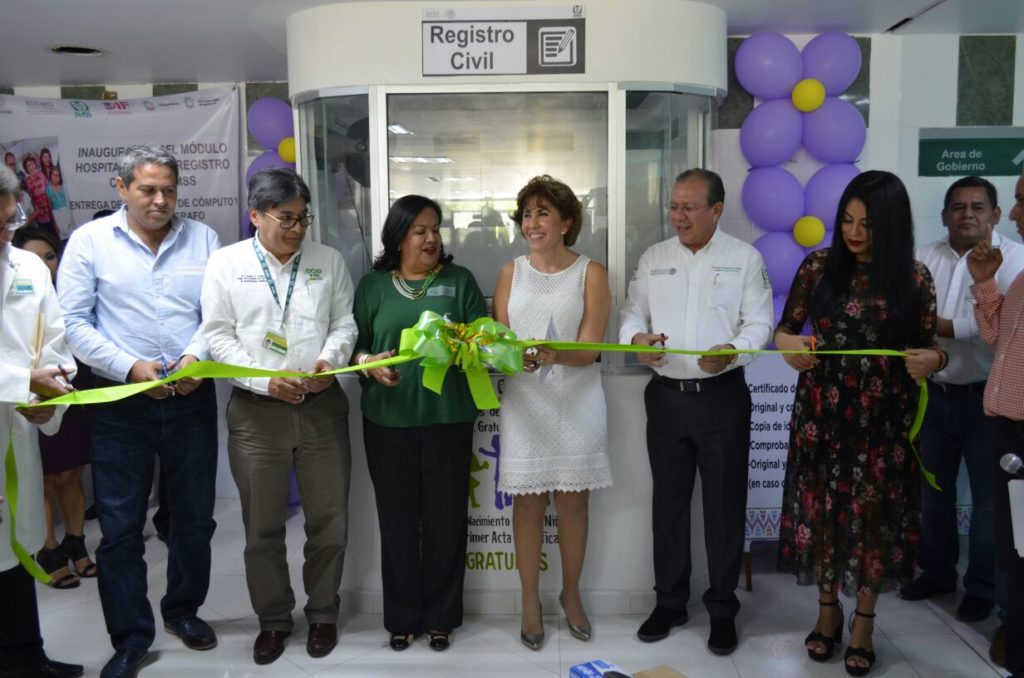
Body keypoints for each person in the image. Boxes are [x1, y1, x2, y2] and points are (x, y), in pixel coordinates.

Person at [59, 145, 220, 678]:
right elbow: (74, 323)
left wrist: (197, 355)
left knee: (194, 519)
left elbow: (216, 315)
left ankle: (183, 611)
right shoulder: (89, 242)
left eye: (169, 190)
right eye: (148, 189)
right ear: (121, 187)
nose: (159, 200)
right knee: (121, 528)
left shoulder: (203, 238)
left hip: (191, 398)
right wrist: (129, 367)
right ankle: (130, 636)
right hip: (120, 405)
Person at [775, 170, 944, 676]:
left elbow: (930, 348)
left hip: (883, 423)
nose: (854, 233)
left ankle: (864, 624)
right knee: (823, 516)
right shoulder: (818, 266)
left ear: (890, 226)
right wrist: (789, 348)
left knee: (874, 524)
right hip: (821, 415)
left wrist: (933, 361)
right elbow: (786, 330)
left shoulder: (914, 277)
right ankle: (827, 615)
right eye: (846, 220)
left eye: (867, 224)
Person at [201, 167, 357, 665]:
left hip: (321, 407)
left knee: (328, 522)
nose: (296, 227)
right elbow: (217, 335)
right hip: (256, 415)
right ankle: (272, 620)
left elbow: (344, 322)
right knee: (262, 528)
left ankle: (324, 613)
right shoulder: (225, 264)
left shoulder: (327, 260)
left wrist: (328, 362)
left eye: (303, 218)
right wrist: (263, 380)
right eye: (285, 217)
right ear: (255, 216)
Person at [619, 168, 773, 655]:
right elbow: (630, 314)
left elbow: (760, 322)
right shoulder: (654, 258)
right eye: (674, 206)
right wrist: (636, 340)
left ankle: (723, 608)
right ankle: (670, 602)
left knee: (724, 508)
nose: (678, 216)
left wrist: (733, 348)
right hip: (665, 397)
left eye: (689, 207)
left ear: (717, 210)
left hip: (722, 398)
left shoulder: (744, 258)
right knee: (668, 506)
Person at [352, 194, 485, 653]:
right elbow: (355, 348)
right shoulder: (372, 288)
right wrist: (369, 363)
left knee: (447, 521)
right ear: (398, 237)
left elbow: (483, 341)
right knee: (398, 523)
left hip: (448, 419)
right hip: (388, 422)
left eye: (435, 229)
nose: (431, 239)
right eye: (420, 231)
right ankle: (402, 618)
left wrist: (470, 345)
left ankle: (442, 618)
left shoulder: (459, 281)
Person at [492, 175, 612, 651]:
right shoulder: (509, 272)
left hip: (577, 399)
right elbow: (500, 343)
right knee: (526, 502)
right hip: (525, 401)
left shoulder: (592, 272)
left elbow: (591, 349)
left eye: (543, 212)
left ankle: (571, 594)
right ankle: (528, 600)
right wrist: (511, 356)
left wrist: (553, 355)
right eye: (526, 214)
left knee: (574, 502)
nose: (532, 222)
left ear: (566, 222)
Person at [906, 177, 1024, 627]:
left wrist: (941, 329)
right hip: (933, 396)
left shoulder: (1015, 261)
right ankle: (936, 573)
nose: (968, 214)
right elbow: (905, 313)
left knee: (990, 503)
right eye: (958, 207)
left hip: (987, 402)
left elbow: (1000, 327)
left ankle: (982, 588)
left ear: (995, 214)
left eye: (978, 206)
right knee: (932, 493)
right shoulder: (923, 258)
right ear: (944, 215)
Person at [0, 164, 83, 678]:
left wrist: (52, 398)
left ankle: (26, 659)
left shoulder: (28, 270)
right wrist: (20, 382)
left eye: (7, 223)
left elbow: (55, 347)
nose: (3, 234)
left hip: (16, 433)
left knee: (15, 548)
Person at [12, 227, 96, 590]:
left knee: (71, 472)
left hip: (69, 390)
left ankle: (75, 543)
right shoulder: (15, 294)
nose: (45, 264)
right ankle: (48, 551)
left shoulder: (69, 292)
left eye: (50, 256)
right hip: (25, 398)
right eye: (37, 257)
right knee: (43, 478)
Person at [968, 171, 1024, 678]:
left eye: (1022, 202)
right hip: (1011, 432)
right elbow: (997, 341)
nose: (1016, 213)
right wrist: (985, 283)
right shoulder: (1023, 278)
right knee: (1017, 548)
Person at [21, 153, 54, 236]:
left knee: (55, 229)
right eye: (28, 166)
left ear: (35, 164)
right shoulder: (27, 181)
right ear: (26, 169)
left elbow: (49, 188)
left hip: (49, 206)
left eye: (32, 164)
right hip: (39, 210)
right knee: (46, 233)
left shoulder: (41, 174)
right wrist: (36, 209)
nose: (31, 166)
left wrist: (51, 202)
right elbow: (30, 197)